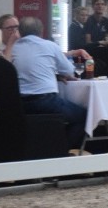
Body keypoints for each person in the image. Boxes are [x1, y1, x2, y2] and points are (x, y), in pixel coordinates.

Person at [11, 17, 88, 150]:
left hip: (19, 104)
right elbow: (69, 70)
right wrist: (57, 73)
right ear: (42, 31)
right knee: (83, 116)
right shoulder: (50, 46)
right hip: (45, 101)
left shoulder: (12, 49)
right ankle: (61, 150)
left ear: (20, 32)